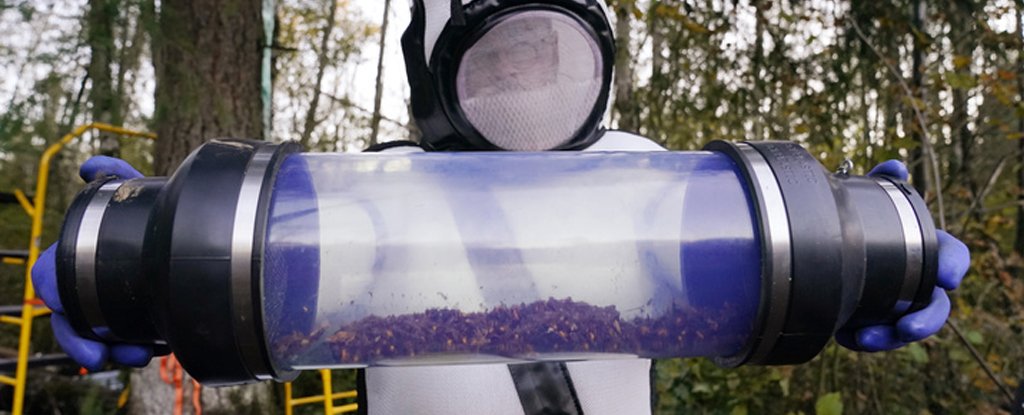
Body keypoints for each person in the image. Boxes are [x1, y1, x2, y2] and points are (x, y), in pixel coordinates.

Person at [33, 0, 971, 413]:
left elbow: (767, 265)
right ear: (434, 53)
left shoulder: (661, 183)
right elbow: (255, 299)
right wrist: (142, 270)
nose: (529, 75)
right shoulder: (359, 200)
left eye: (551, 49)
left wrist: (862, 254)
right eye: (504, 51)